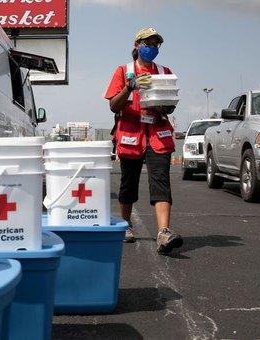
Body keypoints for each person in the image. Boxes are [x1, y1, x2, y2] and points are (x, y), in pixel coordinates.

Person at [104, 27, 183, 254]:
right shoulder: (123, 71)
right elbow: (113, 105)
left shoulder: (164, 71)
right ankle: (126, 225)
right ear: (137, 45)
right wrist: (130, 87)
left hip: (158, 134)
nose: (152, 48)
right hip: (131, 134)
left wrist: (163, 105)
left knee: (161, 181)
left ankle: (164, 233)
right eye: (148, 43)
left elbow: (171, 104)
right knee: (128, 182)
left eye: (156, 44)